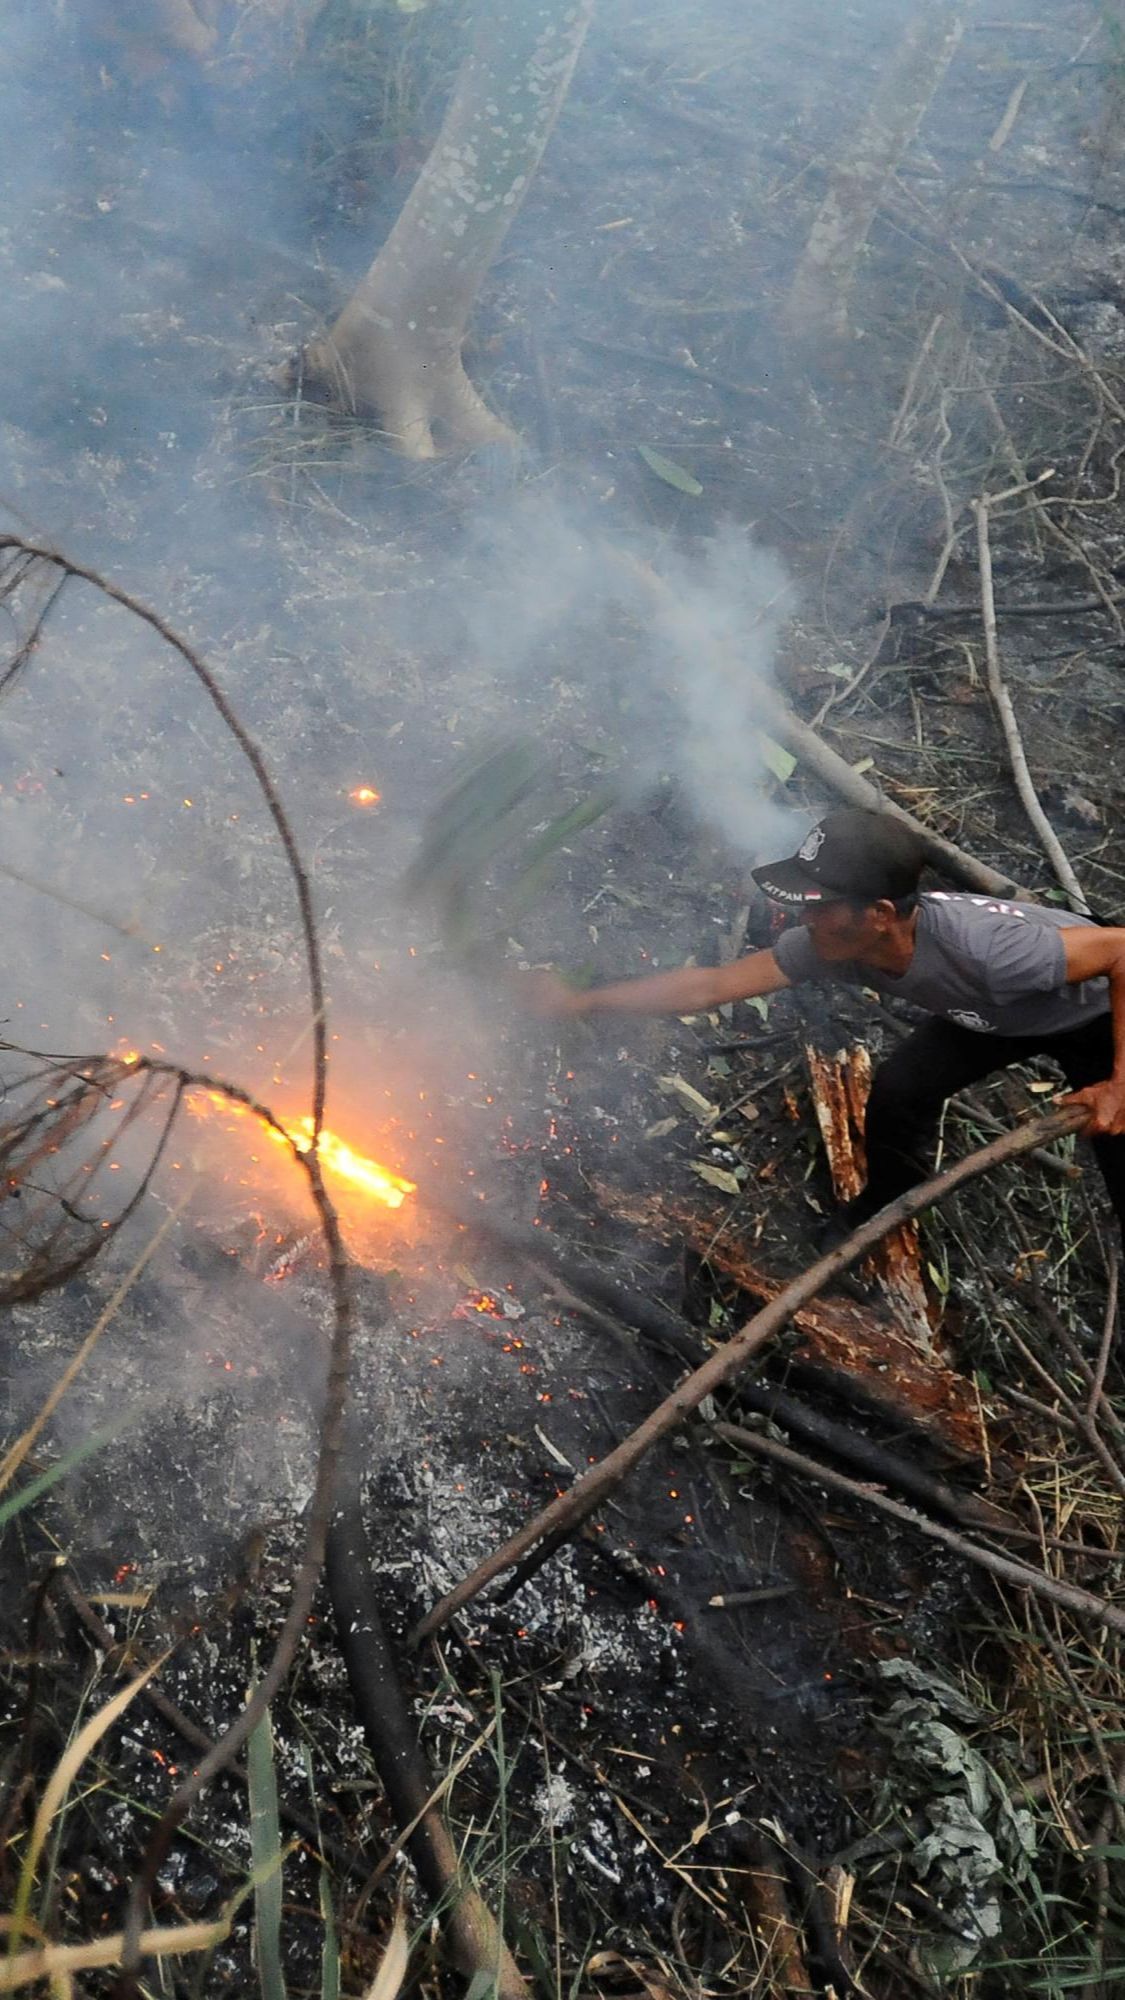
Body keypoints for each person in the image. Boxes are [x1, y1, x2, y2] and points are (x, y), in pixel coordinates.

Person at [527, 807, 1125, 1245]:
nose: (800, 916)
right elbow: (712, 986)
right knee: (896, 1095)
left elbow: (1122, 952)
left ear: (880, 915)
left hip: (1100, 1015)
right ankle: (880, 1214)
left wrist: (1119, 1082)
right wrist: (583, 1002)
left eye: (818, 904)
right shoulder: (835, 943)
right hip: (990, 1015)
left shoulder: (992, 951)